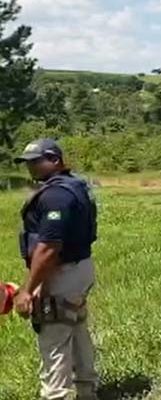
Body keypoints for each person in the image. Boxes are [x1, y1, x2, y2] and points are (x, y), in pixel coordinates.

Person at [12, 139, 99, 399]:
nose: (31, 167)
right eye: (27, 162)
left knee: (54, 340)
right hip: (81, 268)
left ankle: (56, 395)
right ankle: (87, 391)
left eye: (36, 161)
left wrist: (28, 290)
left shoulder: (55, 196)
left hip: (62, 274)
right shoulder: (76, 184)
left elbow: (48, 248)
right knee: (77, 329)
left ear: (54, 159)